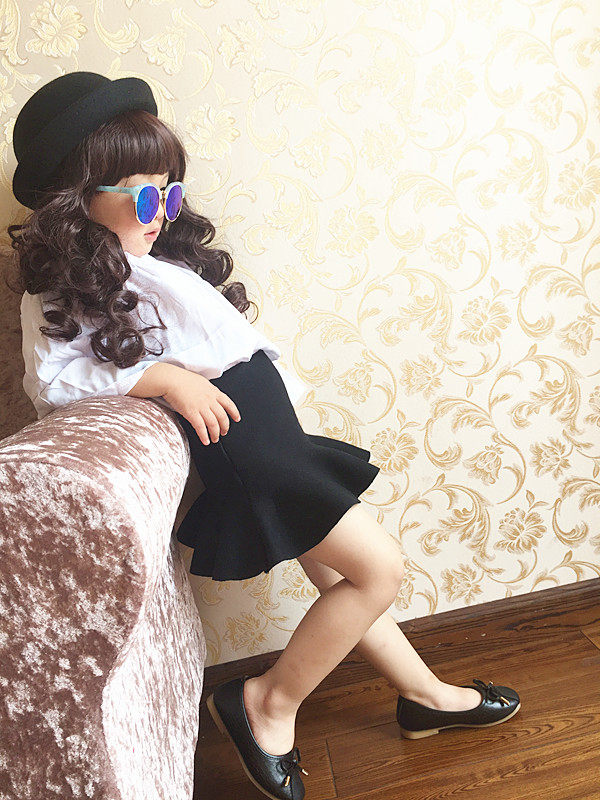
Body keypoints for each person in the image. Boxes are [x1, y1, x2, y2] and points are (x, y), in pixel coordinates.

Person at [9, 71, 521, 800]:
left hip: (271, 441)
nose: (161, 213)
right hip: (250, 454)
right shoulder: (65, 288)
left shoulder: (149, 263)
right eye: (145, 197)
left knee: (339, 576)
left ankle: (425, 695)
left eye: (169, 194)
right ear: (77, 202)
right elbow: (54, 383)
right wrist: (160, 379)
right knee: (378, 571)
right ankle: (267, 703)